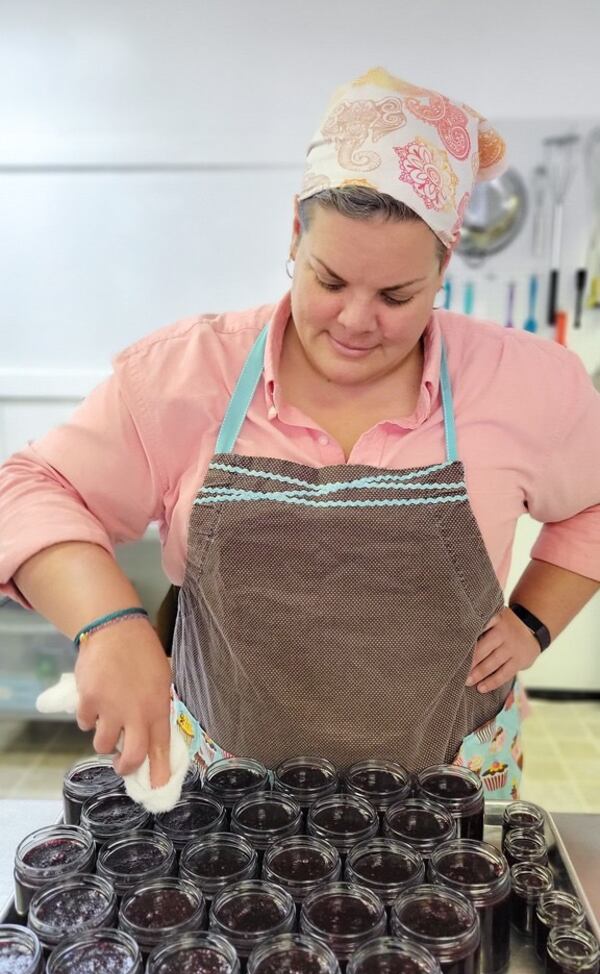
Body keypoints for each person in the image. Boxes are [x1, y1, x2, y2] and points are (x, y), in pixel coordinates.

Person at [1, 67, 599, 799]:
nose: (354, 321)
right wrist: (109, 623)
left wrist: (534, 620)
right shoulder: (189, 373)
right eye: (328, 279)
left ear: (444, 267)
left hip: (446, 792)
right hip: (228, 796)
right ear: (295, 232)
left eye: (395, 295)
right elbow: (29, 486)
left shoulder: (523, 382)